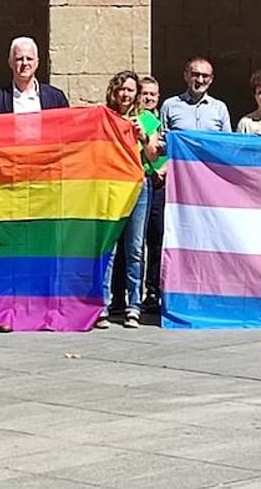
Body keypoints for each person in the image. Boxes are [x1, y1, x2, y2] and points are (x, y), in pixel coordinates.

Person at [98, 71, 155, 330]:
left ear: (137, 94)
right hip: (110, 187)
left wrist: (143, 135)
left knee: (134, 248)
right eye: (121, 89)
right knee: (108, 248)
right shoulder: (104, 118)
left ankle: (134, 306)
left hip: (138, 187)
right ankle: (103, 305)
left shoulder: (147, 119)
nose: (125, 94)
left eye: (130, 90)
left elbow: (154, 156)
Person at [137, 75, 168, 316]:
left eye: (152, 94)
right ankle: (129, 295)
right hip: (136, 182)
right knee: (134, 244)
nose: (148, 97)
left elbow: (160, 155)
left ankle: (152, 291)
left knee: (155, 240)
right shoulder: (135, 120)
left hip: (156, 183)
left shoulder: (156, 122)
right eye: (144, 93)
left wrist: (161, 170)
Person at [0, 36, 68, 113]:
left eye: (29, 59)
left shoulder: (56, 98)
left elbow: (67, 126)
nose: (25, 63)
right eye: (19, 59)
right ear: (10, 63)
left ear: (37, 63)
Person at [160, 57, 231, 132]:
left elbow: (227, 141)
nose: (200, 80)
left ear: (211, 79)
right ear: (186, 76)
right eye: (195, 75)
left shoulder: (220, 108)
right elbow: (162, 140)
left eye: (205, 76)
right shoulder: (169, 106)